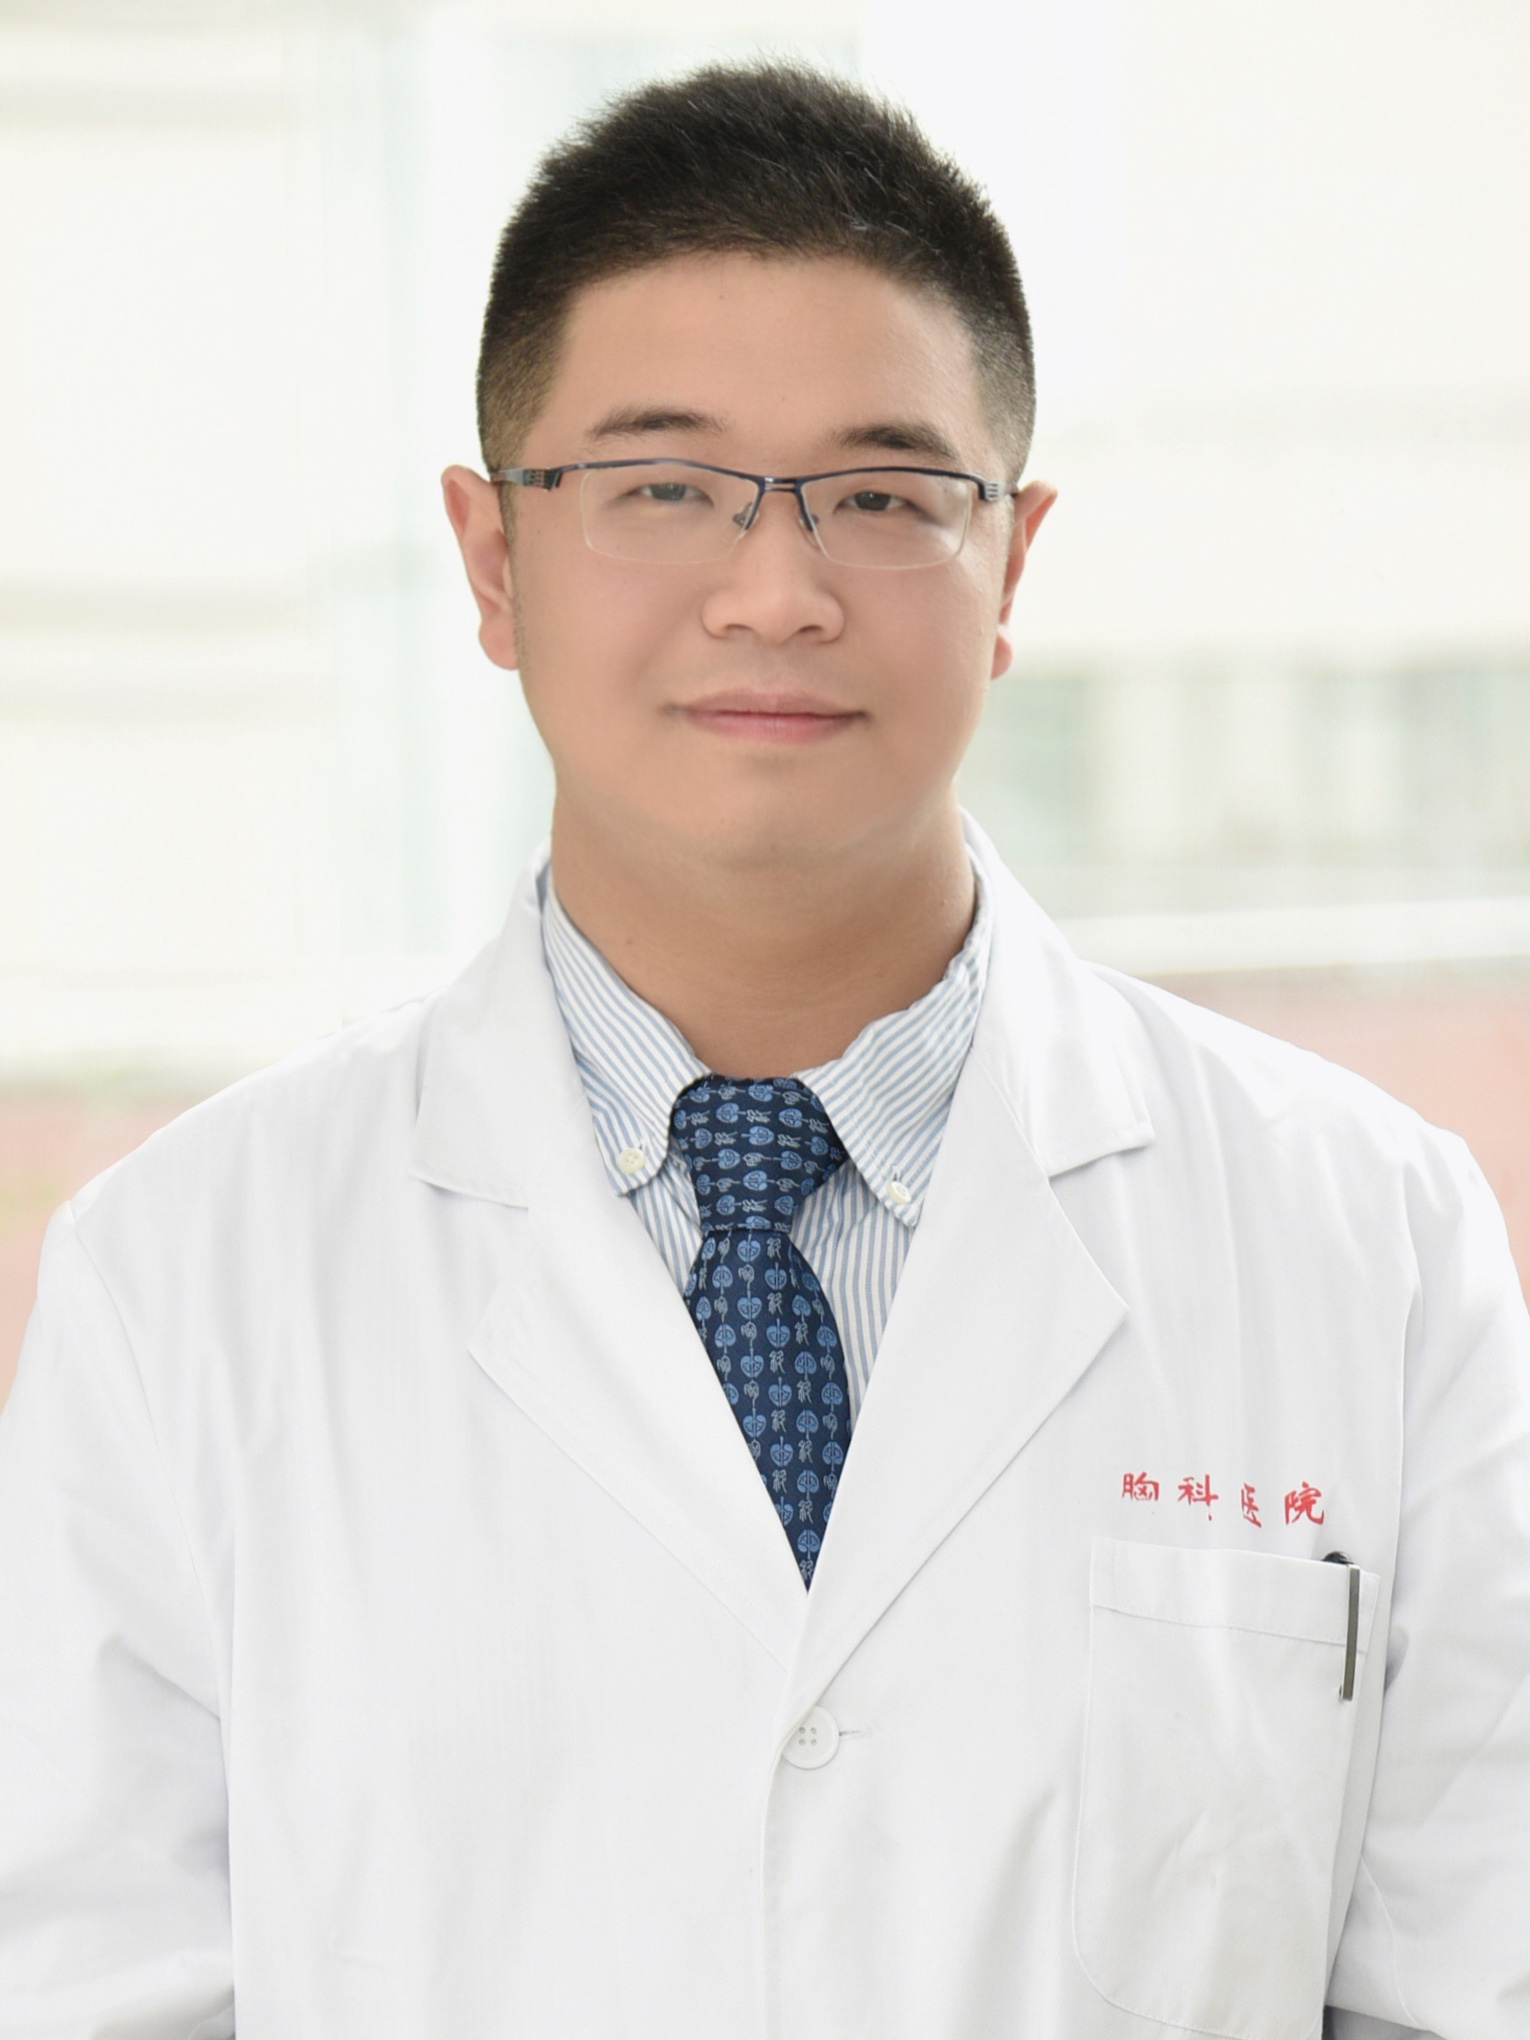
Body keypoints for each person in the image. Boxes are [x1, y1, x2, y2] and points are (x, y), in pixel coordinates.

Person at [1, 60, 1526, 2040]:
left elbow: (1467, 1978)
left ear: (1011, 564)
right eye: (662, 487)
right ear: (491, 560)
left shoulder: (1367, 1239)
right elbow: (100, 1993)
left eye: (883, 497)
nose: (776, 592)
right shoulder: (184, 1276)